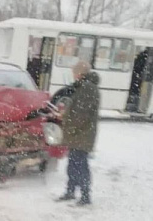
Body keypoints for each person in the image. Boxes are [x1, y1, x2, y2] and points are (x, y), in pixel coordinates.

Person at [56, 61, 100, 206]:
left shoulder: (88, 88)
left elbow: (81, 114)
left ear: (80, 73)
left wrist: (69, 127)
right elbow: (77, 110)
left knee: (80, 165)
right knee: (73, 164)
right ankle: (70, 191)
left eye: (74, 72)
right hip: (79, 134)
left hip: (82, 134)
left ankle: (85, 196)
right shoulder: (84, 87)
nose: (73, 75)